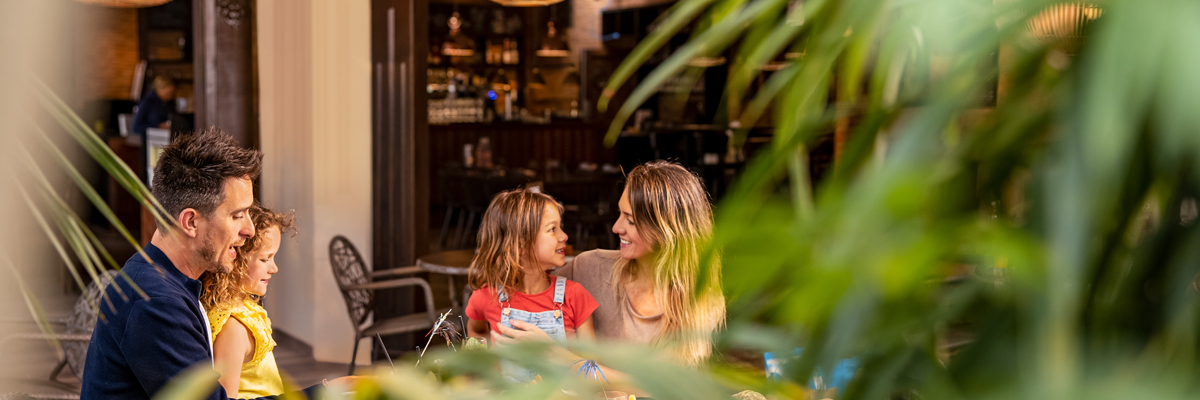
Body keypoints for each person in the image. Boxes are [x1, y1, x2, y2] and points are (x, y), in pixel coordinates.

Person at [81, 128, 334, 399]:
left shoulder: (168, 279)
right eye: (238, 215)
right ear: (190, 222)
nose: (250, 230)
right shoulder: (154, 302)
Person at [495, 161, 725, 369]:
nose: (616, 228)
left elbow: (663, 389)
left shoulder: (701, 301)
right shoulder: (586, 269)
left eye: (631, 220)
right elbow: (521, 301)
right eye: (620, 214)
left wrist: (559, 357)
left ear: (669, 232)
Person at [464, 188, 598, 380]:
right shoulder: (486, 297)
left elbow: (593, 371)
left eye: (561, 227)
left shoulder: (575, 296)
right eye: (552, 229)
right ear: (521, 244)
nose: (564, 236)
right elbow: (476, 330)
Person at [201, 205, 294, 398]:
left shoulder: (246, 310)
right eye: (265, 259)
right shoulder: (234, 327)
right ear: (238, 260)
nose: (274, 268)